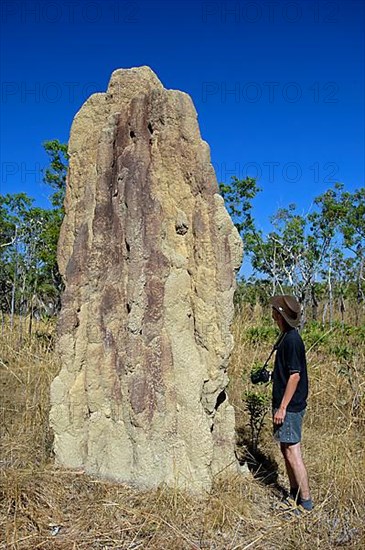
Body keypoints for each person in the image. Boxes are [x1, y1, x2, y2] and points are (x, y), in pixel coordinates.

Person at [270, 294, 313, 512]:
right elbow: (287, 373)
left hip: (290, 406)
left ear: (279, 315)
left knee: (293, 450)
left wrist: (283, 408)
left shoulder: (293, 340)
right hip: (286, 404)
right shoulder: (286, 337)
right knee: (286, 449)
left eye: (275, 311)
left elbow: (295, 376)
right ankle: (294, 493)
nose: (272, 314)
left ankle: (305, 503)